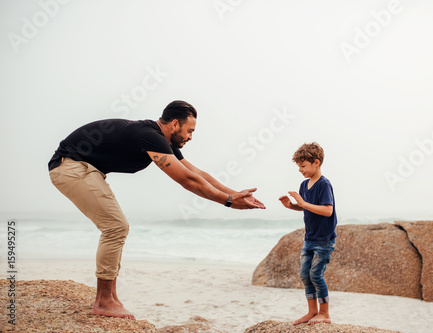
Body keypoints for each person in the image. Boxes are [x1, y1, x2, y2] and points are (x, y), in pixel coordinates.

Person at [48, 100, 266, 320]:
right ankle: (104, 301)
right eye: (190, 131)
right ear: (174, 124)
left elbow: (196, 172)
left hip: (82, 168)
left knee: (116, 228)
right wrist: (227, 201)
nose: (191, 136)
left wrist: (235, 194)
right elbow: (187, 179)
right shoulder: (149, 135)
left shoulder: (159, 139)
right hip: (71, 167)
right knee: (115, 227)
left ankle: (110, 298)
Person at [279, 142, 337, 325]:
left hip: (323, 239)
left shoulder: (324, 184)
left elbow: (328, 210)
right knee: (305, 274)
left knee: (316, 275)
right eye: (298, 166)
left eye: (303, 166)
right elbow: (309, 209)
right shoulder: (304, 185)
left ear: (316, 162)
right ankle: (312, 311)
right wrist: (293, 206)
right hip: (309, 238)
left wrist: (303, 204)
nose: (300, 170)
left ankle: (325, 313)